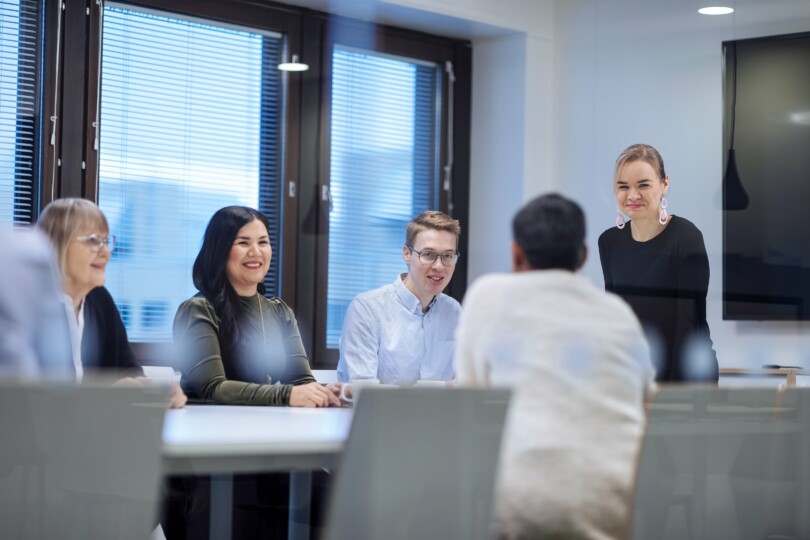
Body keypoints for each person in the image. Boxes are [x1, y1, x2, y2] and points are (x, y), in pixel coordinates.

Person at [455, 193, 655, 540]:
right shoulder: (618, 312)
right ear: (583, 256)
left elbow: (468, 400)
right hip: (615, 511)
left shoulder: (489, 295)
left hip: (525, 513)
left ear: (516, 254)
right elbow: (646, 399)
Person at [174, 205, 340, 406]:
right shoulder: (198, 309)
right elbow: (213, 387)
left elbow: (300, 381)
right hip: (208, 428)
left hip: (265, 424)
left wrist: (326, 392)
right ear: (220, 250)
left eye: (263, 242)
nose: (255, 252)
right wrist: (285, 395)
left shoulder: (279, 311)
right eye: (243, 243)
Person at [37, 198, 186, 407]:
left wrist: (154, 392)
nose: (106, 252)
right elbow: (31, 397)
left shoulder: (99, 299)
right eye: (92, 241)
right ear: (57, 244)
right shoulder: (29, 307)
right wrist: (108, 393)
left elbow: (129, 373)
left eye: (106, 241)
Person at [598, 143, 718, 382]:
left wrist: (670, 398)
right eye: (623, 186)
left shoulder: (686, 238)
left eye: (643, 185)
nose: (632, 195)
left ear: (664, 184)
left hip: (684, 377)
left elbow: (688, 324)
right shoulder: (609, 242)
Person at [337, 210, 462, 385]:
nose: (439, 266)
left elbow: (465, 384)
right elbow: (362, 391)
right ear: (406, 253)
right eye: (428, 255)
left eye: (448, 256)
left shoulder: (455, 311)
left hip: (444, 413)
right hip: (380, 413)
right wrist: (441, 390)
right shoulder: (366, 308)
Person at [0, 227, 73, 379]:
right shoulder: (29, 250)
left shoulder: (28, 250)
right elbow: (55, 363)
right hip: (22, 391)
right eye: (92, 240)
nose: (104, 252)